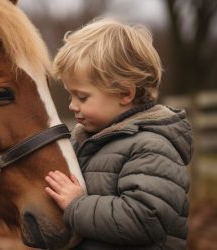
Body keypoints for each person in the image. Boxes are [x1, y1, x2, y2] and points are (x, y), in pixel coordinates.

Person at [44, 18, 193, 249]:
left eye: (82, 97)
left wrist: (76, 205)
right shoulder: (86, 140)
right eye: (70, 95)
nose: (72, 106)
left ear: (124, 93)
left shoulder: (151, 147)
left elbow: (145, 220)